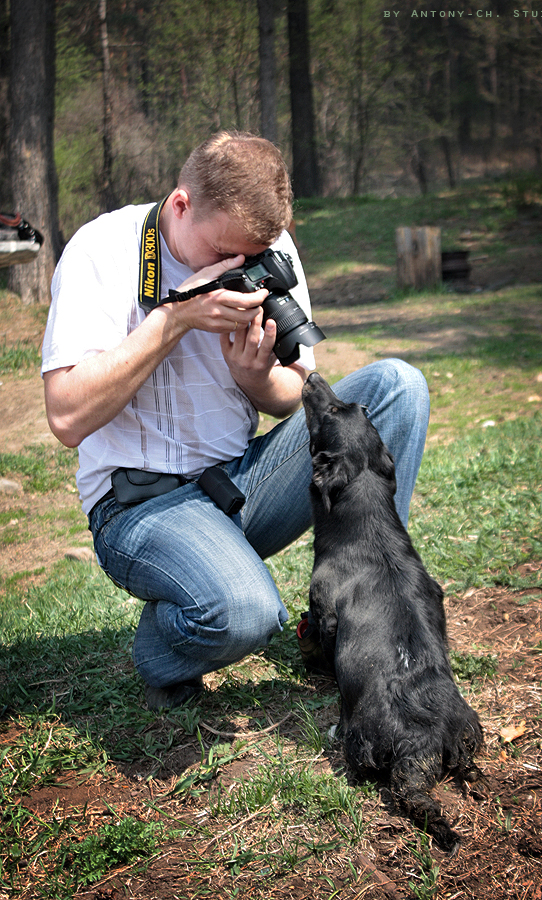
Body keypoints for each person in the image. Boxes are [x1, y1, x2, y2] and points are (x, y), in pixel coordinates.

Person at [42, 131, 430, 710]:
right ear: (180, 205)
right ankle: (159, 650)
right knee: (247, 615)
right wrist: (174, 319)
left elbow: (291, 394)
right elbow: (67, 415)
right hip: (141, 504)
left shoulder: (267, 247)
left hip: (243, 482)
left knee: (396, 388)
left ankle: (357, 620)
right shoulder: (102, 250)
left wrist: (255, 379)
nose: (238, 265)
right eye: (223, 251)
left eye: (250, 254)